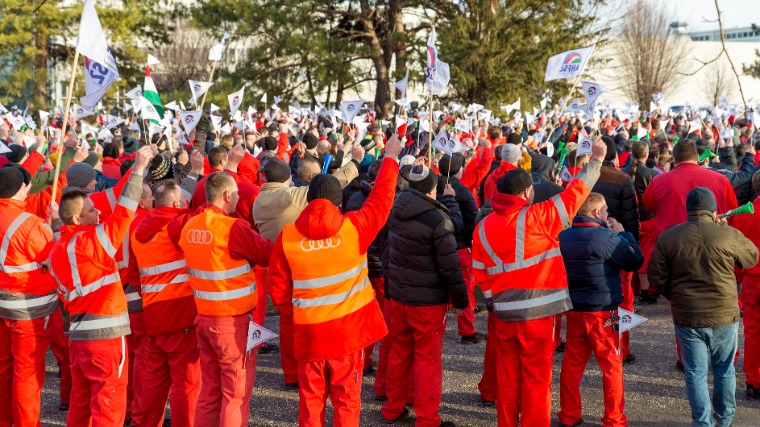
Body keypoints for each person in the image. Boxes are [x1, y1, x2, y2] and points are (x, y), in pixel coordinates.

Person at [268, 134, 402, 427]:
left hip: (309, 334)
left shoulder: (287, 238)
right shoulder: (354, 228)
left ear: (308, 197)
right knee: (346, 401)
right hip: (348, 335)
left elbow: (277, 290)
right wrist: (390, 157)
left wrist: (296, 315)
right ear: (338, 201)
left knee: (311, 401)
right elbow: (382, 198)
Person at [472, 137, 606, 426]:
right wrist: (595, 160)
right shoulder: (539, 216)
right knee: (536, 379)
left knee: (507, 378)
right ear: (528, 192)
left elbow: (479, 274)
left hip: (505, 314)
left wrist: (497, 299)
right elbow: (576, 194)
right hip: (539, 314)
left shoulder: (483, 226)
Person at [48, 146, 153, 426]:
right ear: (75, 219)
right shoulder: (92, 242)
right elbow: (124, 211)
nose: (98, 215)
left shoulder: (56, 251)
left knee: (80, 409)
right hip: (105, 338)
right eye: (92, 211)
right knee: (109, 409)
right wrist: (139, 168)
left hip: (79, 337)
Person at [649, 187, 759, 427]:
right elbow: (752, 257)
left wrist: (675, 295)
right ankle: (725, 419)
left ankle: (702, 422)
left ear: (689, 209)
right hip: (724, 314)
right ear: (713, 210)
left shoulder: (670, 236)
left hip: (687, 315)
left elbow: (656, 276)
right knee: (724, 370)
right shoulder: (726, 233)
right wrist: (724, 229)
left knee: (696, 373)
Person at [178, 171, 271, 426]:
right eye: (237, 194)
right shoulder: (232, 227)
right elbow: (266, 253)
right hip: (232, 323)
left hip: (204, 319)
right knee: (235, 394)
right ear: (228, 195)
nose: (239, 198)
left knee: (210, 391)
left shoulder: (191, 225)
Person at [381, 161, 467, 427]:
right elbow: (450, 267)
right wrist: (461, 301)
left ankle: (393, 407)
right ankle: (428, 418)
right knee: (427, 359)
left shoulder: (395, 209)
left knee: (400, 353)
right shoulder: (436, 220)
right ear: (433, 190)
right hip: (427, 302)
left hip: (399, 295)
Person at [557, 193, 643, 427]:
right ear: (597, 213)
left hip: (574, 308)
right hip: (604, 310)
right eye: (605, 211)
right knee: (611, 365)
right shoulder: (605, 237)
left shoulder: (562, 237)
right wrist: (624, 233)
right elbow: (634, 261)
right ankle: (614, 418)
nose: (607, 215)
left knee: (572, 363)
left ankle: (569, 414)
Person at [131, 180, 201, 427]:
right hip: (181, 315)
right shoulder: (176, 225)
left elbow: (133, 274)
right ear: (175, 203)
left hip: (153, 313)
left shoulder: (138, 230)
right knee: (186, 383)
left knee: (155, 380)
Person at [0, 166, 58, 427]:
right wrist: (55, 225)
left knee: (3, 369)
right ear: (19, 190)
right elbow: (56, 259)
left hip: (2, 305)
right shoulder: (30, 224)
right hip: (29, 309)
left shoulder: (27, 220)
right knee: (27, 372)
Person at [437, 153, 485, 344]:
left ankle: (438, 329)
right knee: (464, 289)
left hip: (438, 245)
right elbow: (474, 221)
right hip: (460, 247)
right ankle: (467, 330)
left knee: (439, 289)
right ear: (460, 170)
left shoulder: (432, 187)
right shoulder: (463, 192)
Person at [733, 171, 760, 400]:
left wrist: (739, 276)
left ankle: (753, 380)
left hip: (752, 278)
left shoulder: (744, 214)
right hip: (751, 276)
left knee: (752, 331)